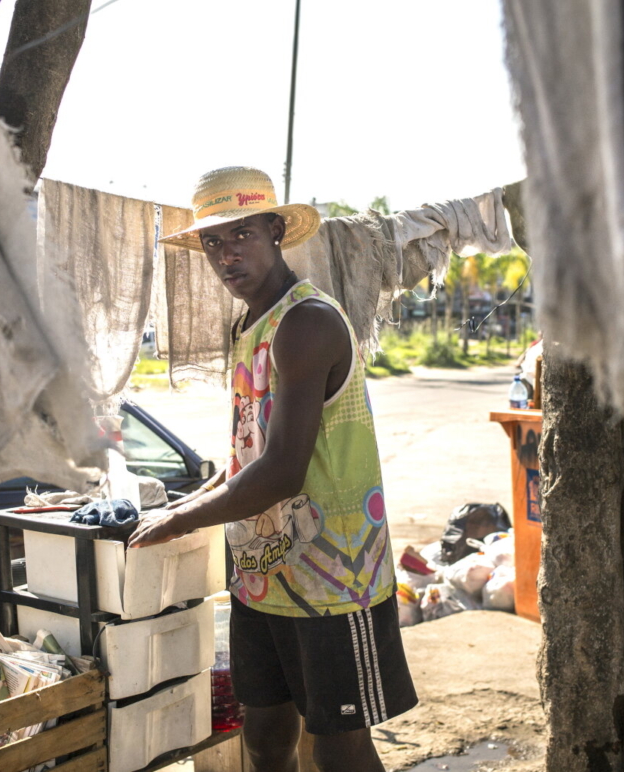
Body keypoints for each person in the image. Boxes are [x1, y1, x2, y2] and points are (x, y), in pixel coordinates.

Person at [129, 167, 417, 772]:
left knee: (340, 747)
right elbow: (251, 452)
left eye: (241, 235)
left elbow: (284, 471)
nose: (225, 254)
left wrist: (182, 519)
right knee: (262, 733)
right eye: (212, 242)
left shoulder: (306, 323)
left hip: (335, 577)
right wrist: (193, 496)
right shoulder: (247, 326)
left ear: (276, 231)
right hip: (263, 570)